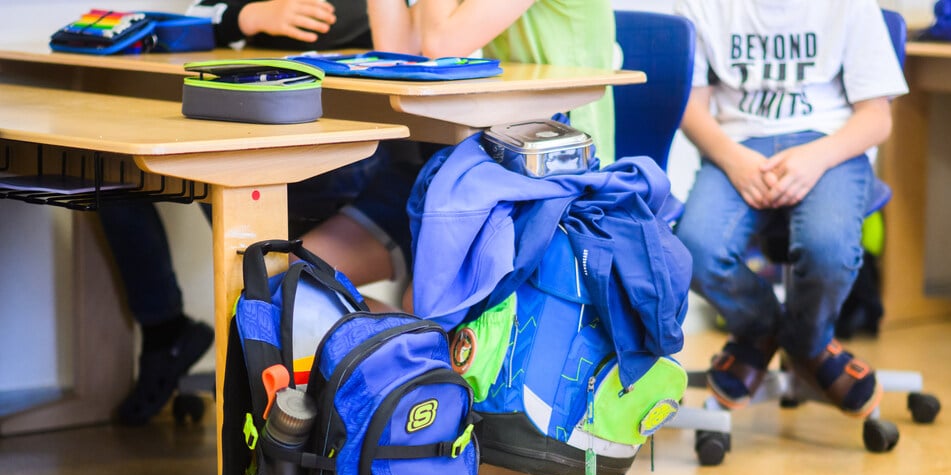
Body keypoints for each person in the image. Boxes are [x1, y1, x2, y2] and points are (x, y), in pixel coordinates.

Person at [98, 0, 380, 425]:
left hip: (352, 137)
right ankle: (166, 331)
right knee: (110, 168)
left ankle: (268, 370)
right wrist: (248, 17)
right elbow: (191, 17)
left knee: (269, 272)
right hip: (252, 117)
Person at [296, 0, 617, 311]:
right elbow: (400, 52)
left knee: (423, 305)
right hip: (474, 168)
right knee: (296, 276)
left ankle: (412, 342)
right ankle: (403, 342)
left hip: (553, 178)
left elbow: (442, 45)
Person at [671, 0, 908, 417]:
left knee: (828, 250)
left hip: (831, 146)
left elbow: (876, 119)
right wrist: (733, 160)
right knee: (692, 252)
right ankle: (769, 332)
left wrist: (816, 157)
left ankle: (806, 343)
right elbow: (692, 108)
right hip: (738, 147)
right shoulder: (699, 5)